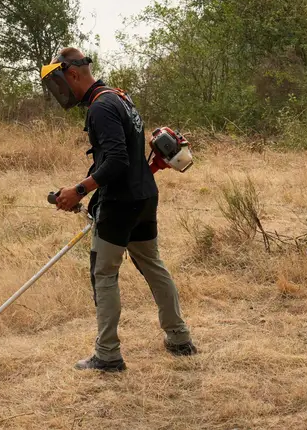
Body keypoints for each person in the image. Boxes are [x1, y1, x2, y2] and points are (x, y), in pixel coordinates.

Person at [40, 47, 196, 372]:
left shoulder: (100, 107)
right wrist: (86, 194)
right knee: (153, 265)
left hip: (121, 203)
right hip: (142, 197)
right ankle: (179, 337)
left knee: (105, 274)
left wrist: (79, 189)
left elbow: (117, 160)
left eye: (59, 82)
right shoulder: (119, 97)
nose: (60, 91)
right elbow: (125, 156)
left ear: (72, 74)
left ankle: (107, 354)